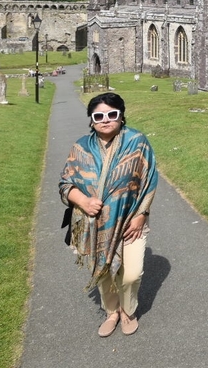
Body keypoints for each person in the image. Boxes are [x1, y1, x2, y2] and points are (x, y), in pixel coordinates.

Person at [60, 92, 157, 338]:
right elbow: (65, 184)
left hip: (131, 220)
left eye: (112, 114)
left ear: (121, 117)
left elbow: (149, 179)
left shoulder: (137, 142)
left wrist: (142, 214)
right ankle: (112, 312)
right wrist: (83, 201)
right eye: (99, 116)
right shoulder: (81, 147)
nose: (105, 120)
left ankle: (128, 311)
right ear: (91, 120)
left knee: (131, 273)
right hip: (95, 223)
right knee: (103, 271)